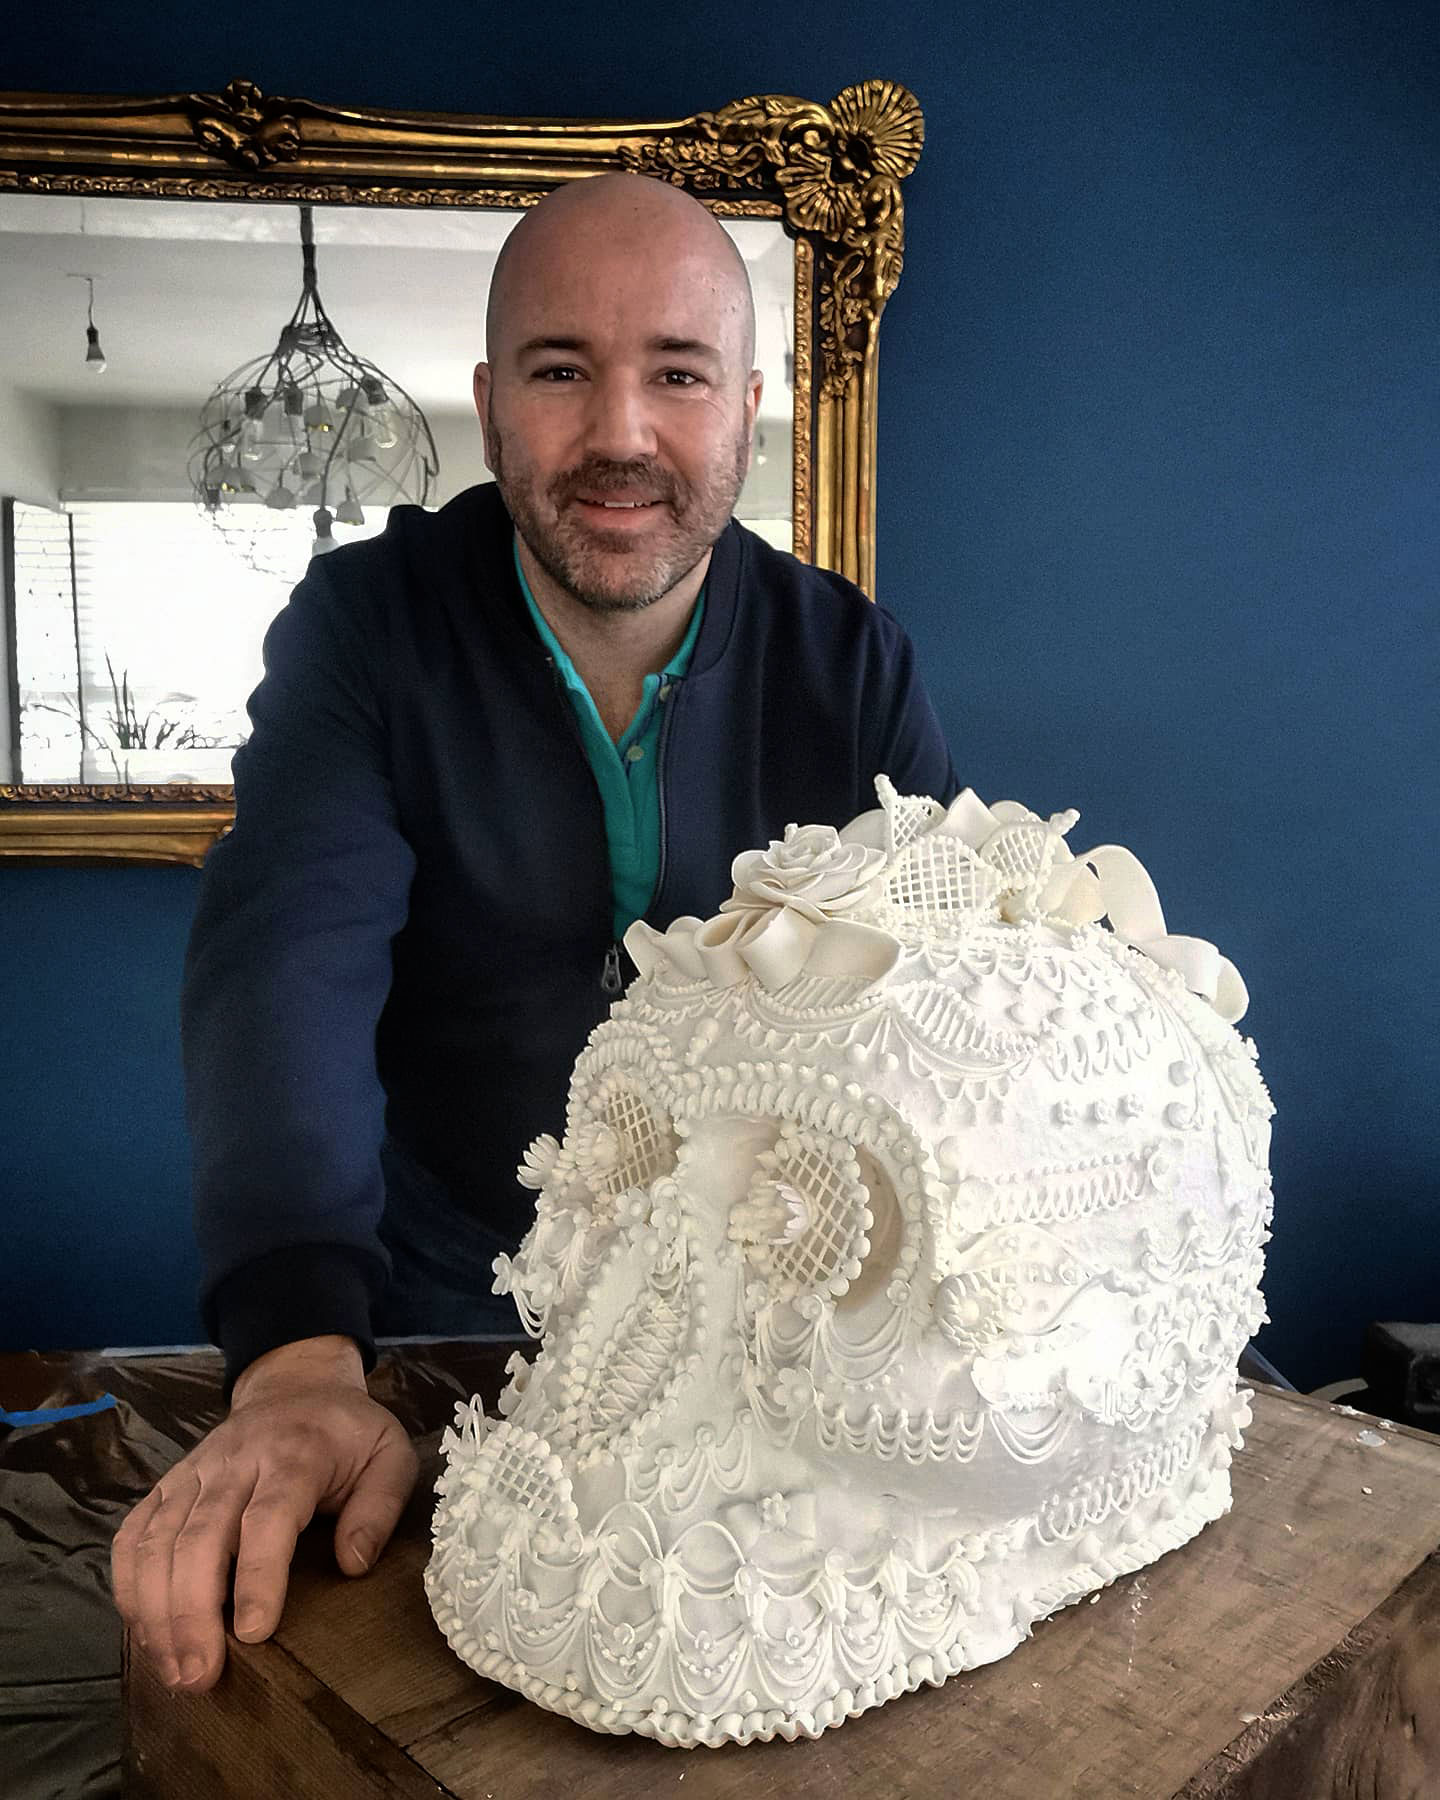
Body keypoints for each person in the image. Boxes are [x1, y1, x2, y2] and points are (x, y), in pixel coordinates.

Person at [111, 174, 959, 1694]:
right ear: (493, 404)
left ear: (747, 406)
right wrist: (297, 1360)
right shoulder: (364, 628)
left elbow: (948, 1009)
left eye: (678, 374)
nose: (620, 433)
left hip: (762, 1308)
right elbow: (288, 965)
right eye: (562, 370)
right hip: (444, 1294)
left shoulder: (853, 663)